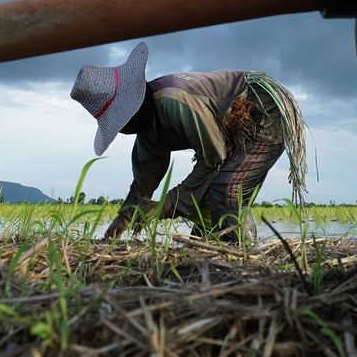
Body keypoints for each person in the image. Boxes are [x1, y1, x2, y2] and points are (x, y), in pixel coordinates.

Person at [70, 42, 307, 243]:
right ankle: (222, 251)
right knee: (205, 207)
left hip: (264, 109)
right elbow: (143, 185)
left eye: (118, 121)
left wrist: (167, 204)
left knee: (225, 188)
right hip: (233, 127)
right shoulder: (149, 133)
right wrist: (112, 235)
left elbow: (215, 155)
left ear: (132, 109)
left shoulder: (173, 101)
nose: (120, 130)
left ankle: (240, 256)